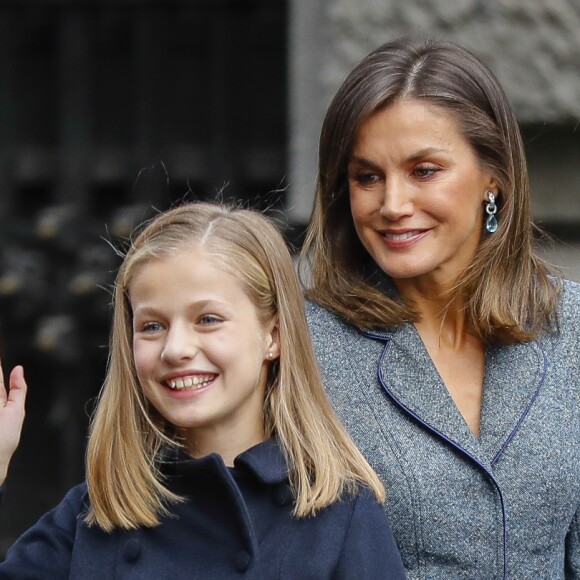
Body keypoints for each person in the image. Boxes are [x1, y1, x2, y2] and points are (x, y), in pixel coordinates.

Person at [0, 202, 406, 579]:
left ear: (274, 336)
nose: (176, 349)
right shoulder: (92, 514)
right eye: (152, 326)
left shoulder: (340, 513)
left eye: (208, 319)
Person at [301, 36, 580, 579]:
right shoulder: (305, 348)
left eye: (424, 170)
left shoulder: (573, 328)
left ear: (492, 180)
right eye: (367, 177)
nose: (393, 205)